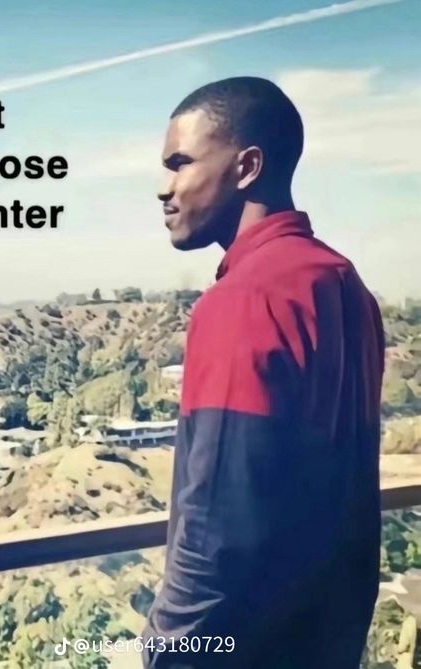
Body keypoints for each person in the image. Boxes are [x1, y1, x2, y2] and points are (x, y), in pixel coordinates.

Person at [141, 77, 385, 668]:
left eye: (181, 163)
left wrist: (164, 651)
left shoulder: (244, 301)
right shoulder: (346, 285)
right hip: (328, 640)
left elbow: (214, 530)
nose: (163, 189)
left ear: (247, 166)